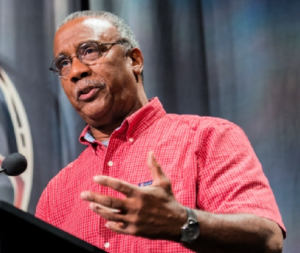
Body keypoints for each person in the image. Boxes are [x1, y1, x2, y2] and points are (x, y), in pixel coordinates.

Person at [35, 10, 285, 253]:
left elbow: (267, 240)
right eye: (64, 63)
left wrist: (181, 223)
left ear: (134, 60)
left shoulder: (208, 137)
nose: (77, 71)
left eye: (89, 51)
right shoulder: (55, 193)